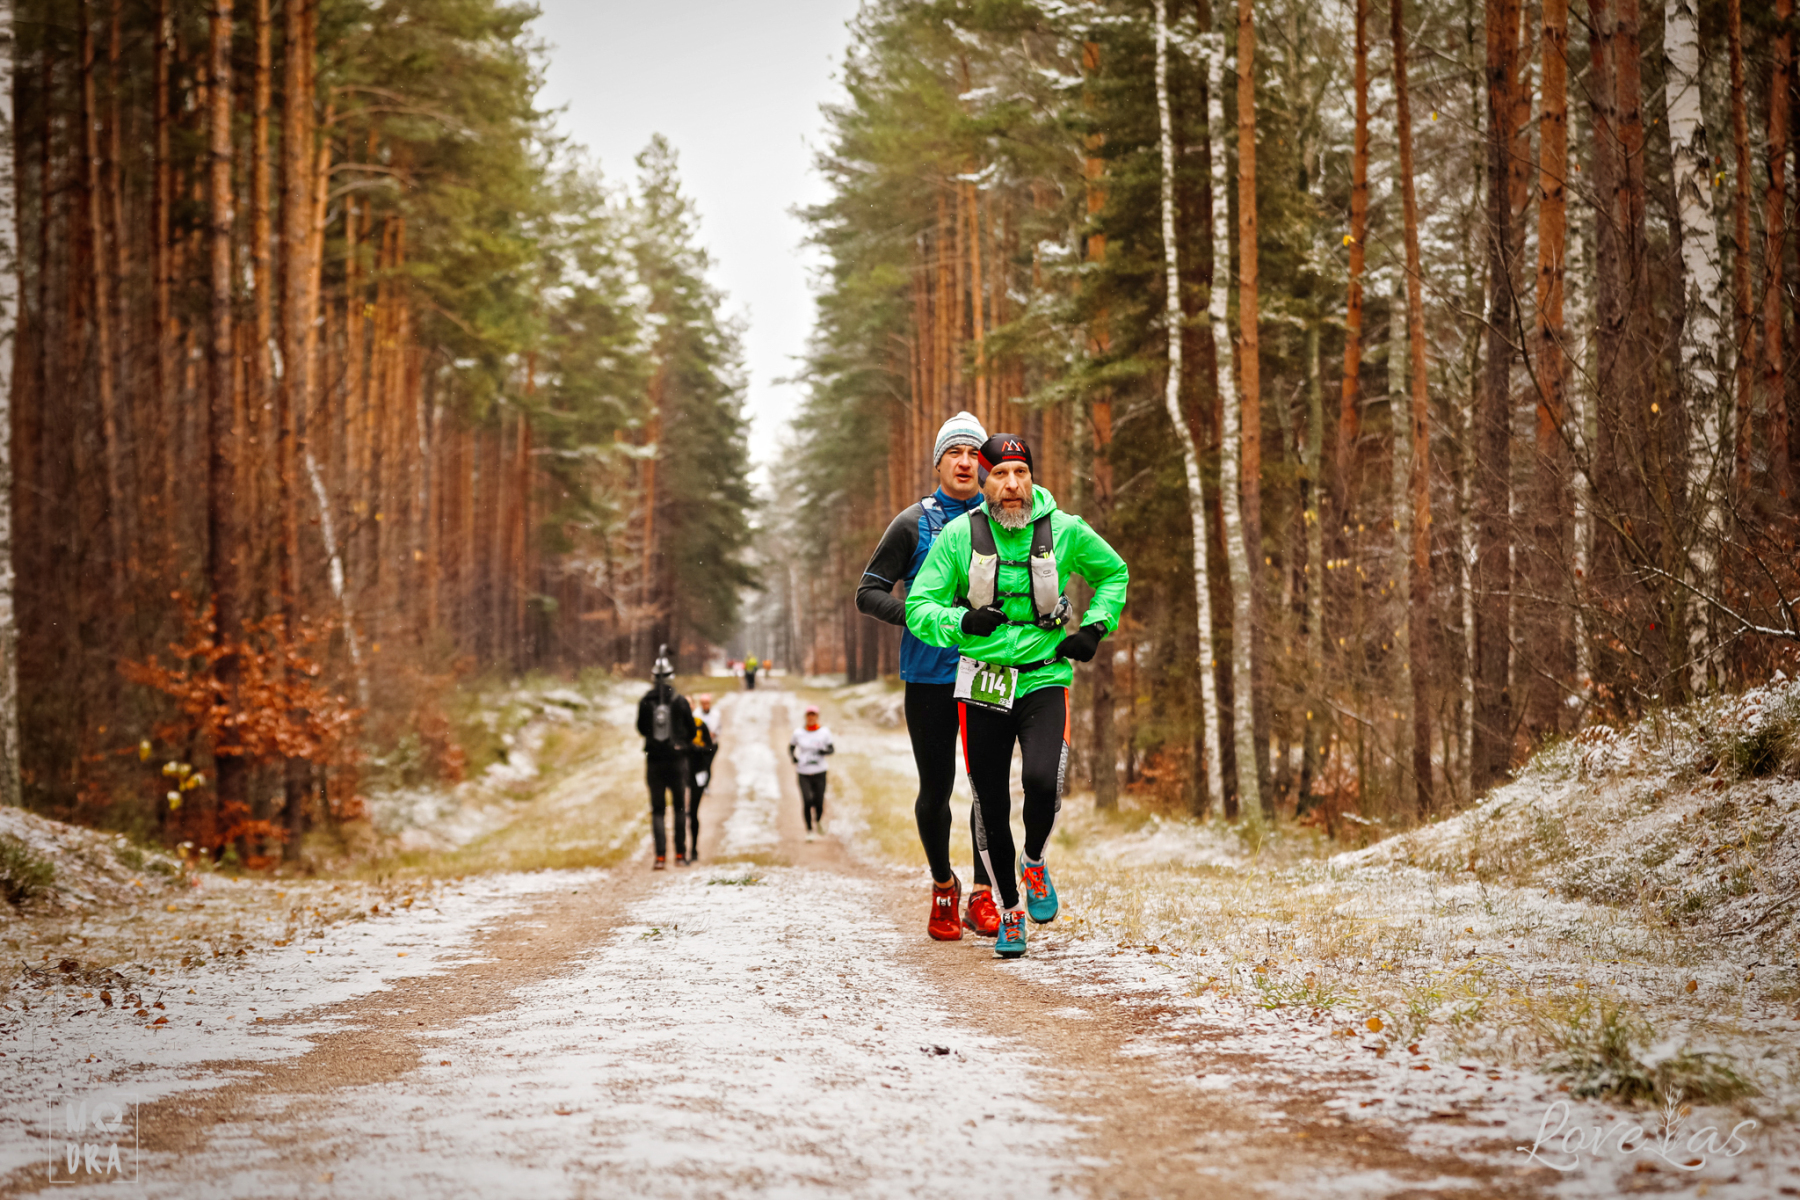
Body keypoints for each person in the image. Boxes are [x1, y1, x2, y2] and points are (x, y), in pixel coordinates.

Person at [905, 433, 1128, 959]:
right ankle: (1009, 910)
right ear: (986, 482)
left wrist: (1095, 627)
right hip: (984, 679)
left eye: (1020, 473)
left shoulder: (1065, 530)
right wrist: (962, 620)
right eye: (1000, 474)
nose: (1011, 485)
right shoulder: (959, 536)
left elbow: (1113, 572)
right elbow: (919, 605)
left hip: (1043, 676)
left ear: (1031, 478)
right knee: (990, 802)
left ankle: (1034, 861)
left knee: (1042, 780)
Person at [858, 410, 1001, 941]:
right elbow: (868, 593)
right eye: (953, 453)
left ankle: (983, 894)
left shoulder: (1003, 519)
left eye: (972, 454)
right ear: (938, 463)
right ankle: (944, 886)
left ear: (984, 465)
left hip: (990, 669)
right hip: (929, 675)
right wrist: (917, 616)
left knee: (988, 787)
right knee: (936, 788)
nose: (964, 462)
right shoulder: (912, 523)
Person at [635, 646, 697, 869]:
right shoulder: (680, 701)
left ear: (653, 677)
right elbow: (692, 731)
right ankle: (680, 855)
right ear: (671, 676)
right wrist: (681, 742)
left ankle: (660, 857)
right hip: (677, 762)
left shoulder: (645, 701)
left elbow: (641, 728)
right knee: (679, 808)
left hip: (654, 762)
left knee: (658, 811)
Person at [789, 703, 835, 841]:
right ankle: (809, 830)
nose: (811, 718)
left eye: (813, 715)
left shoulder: (824, 732)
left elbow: (831, 749)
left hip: (820, 772)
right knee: (807, 801)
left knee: (819, 802)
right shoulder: (798, 733)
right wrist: (794, 758)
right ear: (806, 717)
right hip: (803, 772)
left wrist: (824, 751)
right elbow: (791, 747)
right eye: (809, 715)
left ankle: (818, 820)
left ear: (817, 717)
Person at [686, 693, 720, 858]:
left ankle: (693, 849)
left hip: (697, 773)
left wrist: (697, 750)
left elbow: (710, 748)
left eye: (688, 704)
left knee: (693, 813)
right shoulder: (675, 727)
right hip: (681, 776)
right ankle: (680, 851)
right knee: (681, 813)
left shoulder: (700, 724)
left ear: (693, 706)